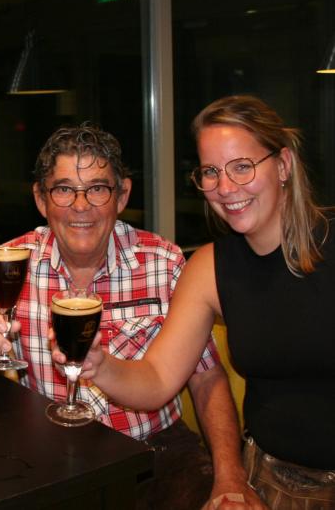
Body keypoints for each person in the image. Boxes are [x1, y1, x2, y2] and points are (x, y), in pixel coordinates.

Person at [0, 122, 259, 510]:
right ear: (41, 200)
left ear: (122, 195)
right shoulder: (13, 263)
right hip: (49, 455)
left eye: (97, 189)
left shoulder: (163, 262)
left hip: (157, 452)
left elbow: (207, 377)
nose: (81, 206)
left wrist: (230, 477)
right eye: (64, 190)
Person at [74, 95, 335, 509]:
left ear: (283, 165)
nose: (225, 188)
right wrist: (100, 366)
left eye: (242, 166)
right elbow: (158, 378)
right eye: (211, 172)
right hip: (271, 482)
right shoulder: (209, 268)